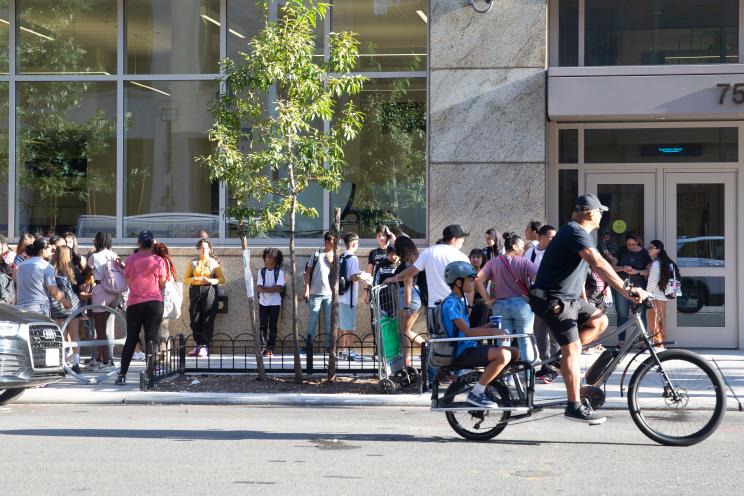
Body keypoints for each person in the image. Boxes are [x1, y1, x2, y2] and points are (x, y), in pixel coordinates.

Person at [528, 193, 649, 424]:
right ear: (591, 214)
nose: (602, 216)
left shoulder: (578, 234)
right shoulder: (574, 231)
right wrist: (627, 289)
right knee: (572, 349)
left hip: (569, 300)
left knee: (600, 320)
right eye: (600, 212)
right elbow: (598, 263)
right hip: (552, 300)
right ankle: (573, 406)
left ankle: (558, 360)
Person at [441, 261, 519, 408]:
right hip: (462, 352)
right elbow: (468, 332)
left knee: (514, 352)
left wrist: (487, 326)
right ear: (458, 282)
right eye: (470, 280)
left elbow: (468, 330)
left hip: (470, 347)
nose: (473, 283)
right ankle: (477, 393)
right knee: (503, 355)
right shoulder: (450, 303)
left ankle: (490, 385)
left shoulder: (459, 300)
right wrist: (493, 331)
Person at [475, 232, 537, 363]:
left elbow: (478, 280)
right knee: (525, 339)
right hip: (522, 303)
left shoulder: (494, 262)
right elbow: (538, 280)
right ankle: (528, 375)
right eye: (521, 247)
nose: (523, 250)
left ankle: (505, 378)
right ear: (514, 247)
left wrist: (487, 299)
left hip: (500, 305)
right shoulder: (525, 262)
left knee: (503, 341)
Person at [116, 231, 167, 386]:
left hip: (135, 302)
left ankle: (122, 374)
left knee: (131, 339)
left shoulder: (130, 259)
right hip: (154, 302)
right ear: (152, 244)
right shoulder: (159, 260)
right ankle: (150, 375)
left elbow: (129, 281)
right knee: (151, 339)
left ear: (138, 243)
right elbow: (163, 283)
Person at [386, 224, 471, 312]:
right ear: (453, 239)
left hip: (435, 308)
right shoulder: (462, 258)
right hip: (455, 306)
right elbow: (469, 286)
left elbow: (410, 273)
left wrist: (392, 279)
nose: (463, 240)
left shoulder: (428, 252)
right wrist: (470, 307)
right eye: (462, 238)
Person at [524, 225, 560, 382]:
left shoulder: (557, 253)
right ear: (541, 237)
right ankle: (545, 365)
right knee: (539, 334)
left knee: (554, 335)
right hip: (536, 298)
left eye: (555, 237)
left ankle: (554, 368)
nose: (553, 240)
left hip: (553, 298)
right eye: (551, 237)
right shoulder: (530, 252)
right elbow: (523, 272)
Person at [87, 231, 122, 371]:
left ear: (98, 241)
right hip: (116, 293)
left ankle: (106, 362)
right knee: (105, 327)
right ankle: (102, 358)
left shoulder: (94, 257)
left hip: (101, 291)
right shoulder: (114, 255)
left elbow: (85, 274)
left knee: (100, 329)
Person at [184, 238, 225, 357]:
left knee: (208, 317)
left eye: (206, 248)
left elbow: (222, 279)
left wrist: (210, 280)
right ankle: (197, 344)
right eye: (201, 247)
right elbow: (185, 279)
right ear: (198, 249)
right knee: (195, 317)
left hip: (209, 289)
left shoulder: (214, 263)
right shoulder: (192, 262)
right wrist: (194, 279)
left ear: (210, 249)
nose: (204, 250)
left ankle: (204, 346)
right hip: (196, 290)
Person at [611, 231, 651, 343]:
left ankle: (644, 342)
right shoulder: (621, 250)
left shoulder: (644, 253)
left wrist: (636, 272)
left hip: (639, 287)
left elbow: (648, 271)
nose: (630, 247)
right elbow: (612, 267)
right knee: (622, 315)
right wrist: (623, 268)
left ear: (638, 242)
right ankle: (621, 342)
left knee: (641, 315)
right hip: (622, 287)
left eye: (633, 244)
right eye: (628, 244)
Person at [14, 236, 70, 316]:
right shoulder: (45, 266)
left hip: (21, 307)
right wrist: (65, 302)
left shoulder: (21, 266)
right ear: (43, 251)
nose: (52, 253)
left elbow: (17, 287)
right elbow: (53, 290)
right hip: (39, 309)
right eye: (51, 250)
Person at [337, 233, 372, 360]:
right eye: (357, 243)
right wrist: (362, 276)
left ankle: (342, 350)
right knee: (349, 326)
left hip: (340, 296)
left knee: (341, 326)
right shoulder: (353, 258)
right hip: (348, 298)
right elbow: (352, 277)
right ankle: (350, 351)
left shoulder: (341, 256)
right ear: (353, 244)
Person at [393, 236, 425, 367]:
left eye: (396, 247)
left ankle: (408, 360)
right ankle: (424, 349)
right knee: (404, 330)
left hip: (409, 299)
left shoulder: (406, 264)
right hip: (411, 298)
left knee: (404, 331)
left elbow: (408, 285)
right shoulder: (411, 262)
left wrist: (406, 307)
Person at [50, 245, 82, 372]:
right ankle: (76, 363)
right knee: (75, 335)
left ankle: (61, 363)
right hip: (73, 306)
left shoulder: (51, 269)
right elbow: (79, 288)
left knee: (60, 335)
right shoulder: (72, 269)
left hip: (58, 306)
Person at [646, 240, 678, 350]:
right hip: (664, 296)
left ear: (658, 249)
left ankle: (658, 345)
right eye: (648, 248)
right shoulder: (667, 262)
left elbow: (652, 281)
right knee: (661, 321)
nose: (649, 249)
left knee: (653, 321)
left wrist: (646, 293)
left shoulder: (656, 263)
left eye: (651, 248)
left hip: (655, 296)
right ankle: (661, 344)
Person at [257, 248, 285, 357]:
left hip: (275, 303)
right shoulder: (261, 271)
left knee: (273, 326)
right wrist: (270, 289)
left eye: (271, 257)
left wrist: (264, 289)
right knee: (262, 325)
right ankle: (263, 347)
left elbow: (278, 288)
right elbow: (259, 287)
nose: (268, 259)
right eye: (267, 256)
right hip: (262, 302)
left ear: (276, 259)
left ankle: (270, 348)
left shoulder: (280, 273)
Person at [152, 242, 178, 359]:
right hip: (166, 300)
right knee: (164, 329)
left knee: (159, 329)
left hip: (159, 299)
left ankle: (161, 355)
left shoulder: (160, 262)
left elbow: (161, 282)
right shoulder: (168, 262)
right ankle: (165, 355)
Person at [468, 249, 489, 328]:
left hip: (483, 304)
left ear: (482, 259)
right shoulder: (466, 273)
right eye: (473, 257)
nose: (475, 259)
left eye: (478, 257)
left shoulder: (486, 273)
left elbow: (492, 286)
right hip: (469, 304)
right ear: (470, 259)